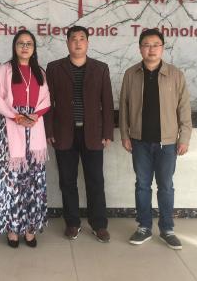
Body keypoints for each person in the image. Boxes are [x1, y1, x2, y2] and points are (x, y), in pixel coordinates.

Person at [119, 28, 192, 250]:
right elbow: (124, 107)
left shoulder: (175, 75)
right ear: (140, 48)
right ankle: (144, 227)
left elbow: (184, 108)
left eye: (156, 45)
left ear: (162, 47)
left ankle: (167, 229)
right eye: (147, 45)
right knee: (142, 185)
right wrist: (125, 135)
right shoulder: (131, 74)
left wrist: (184, 137)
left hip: (167, 143)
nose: (151, 49)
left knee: (166, 186)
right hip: (139, 141)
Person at [44, 26, 114, 243]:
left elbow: (107, 103)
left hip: (93, 133)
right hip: (64, 133)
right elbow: (48, 102)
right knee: (67, 181)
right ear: (67, 43)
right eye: (73, 39)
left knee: (96, 181)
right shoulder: (54, 68)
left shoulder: (100, 68)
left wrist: (108, 132)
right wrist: (49, 130)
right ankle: (72, 223)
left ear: (87, 43)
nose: (77, 42)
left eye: (82, 38)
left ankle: (99, 224)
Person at [0, 29, 50, 248]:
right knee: (12, 181)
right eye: (21, 43)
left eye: (29, 44)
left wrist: (34, 115)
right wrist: (16, 116)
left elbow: (46, 99)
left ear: (34, 48)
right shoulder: (5, 70)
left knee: (33, 180)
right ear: (14, 47)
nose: (25, 47)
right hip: (11, 127)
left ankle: (30, 228)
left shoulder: (40, 72)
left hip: (35, 126)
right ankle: (12, 229)